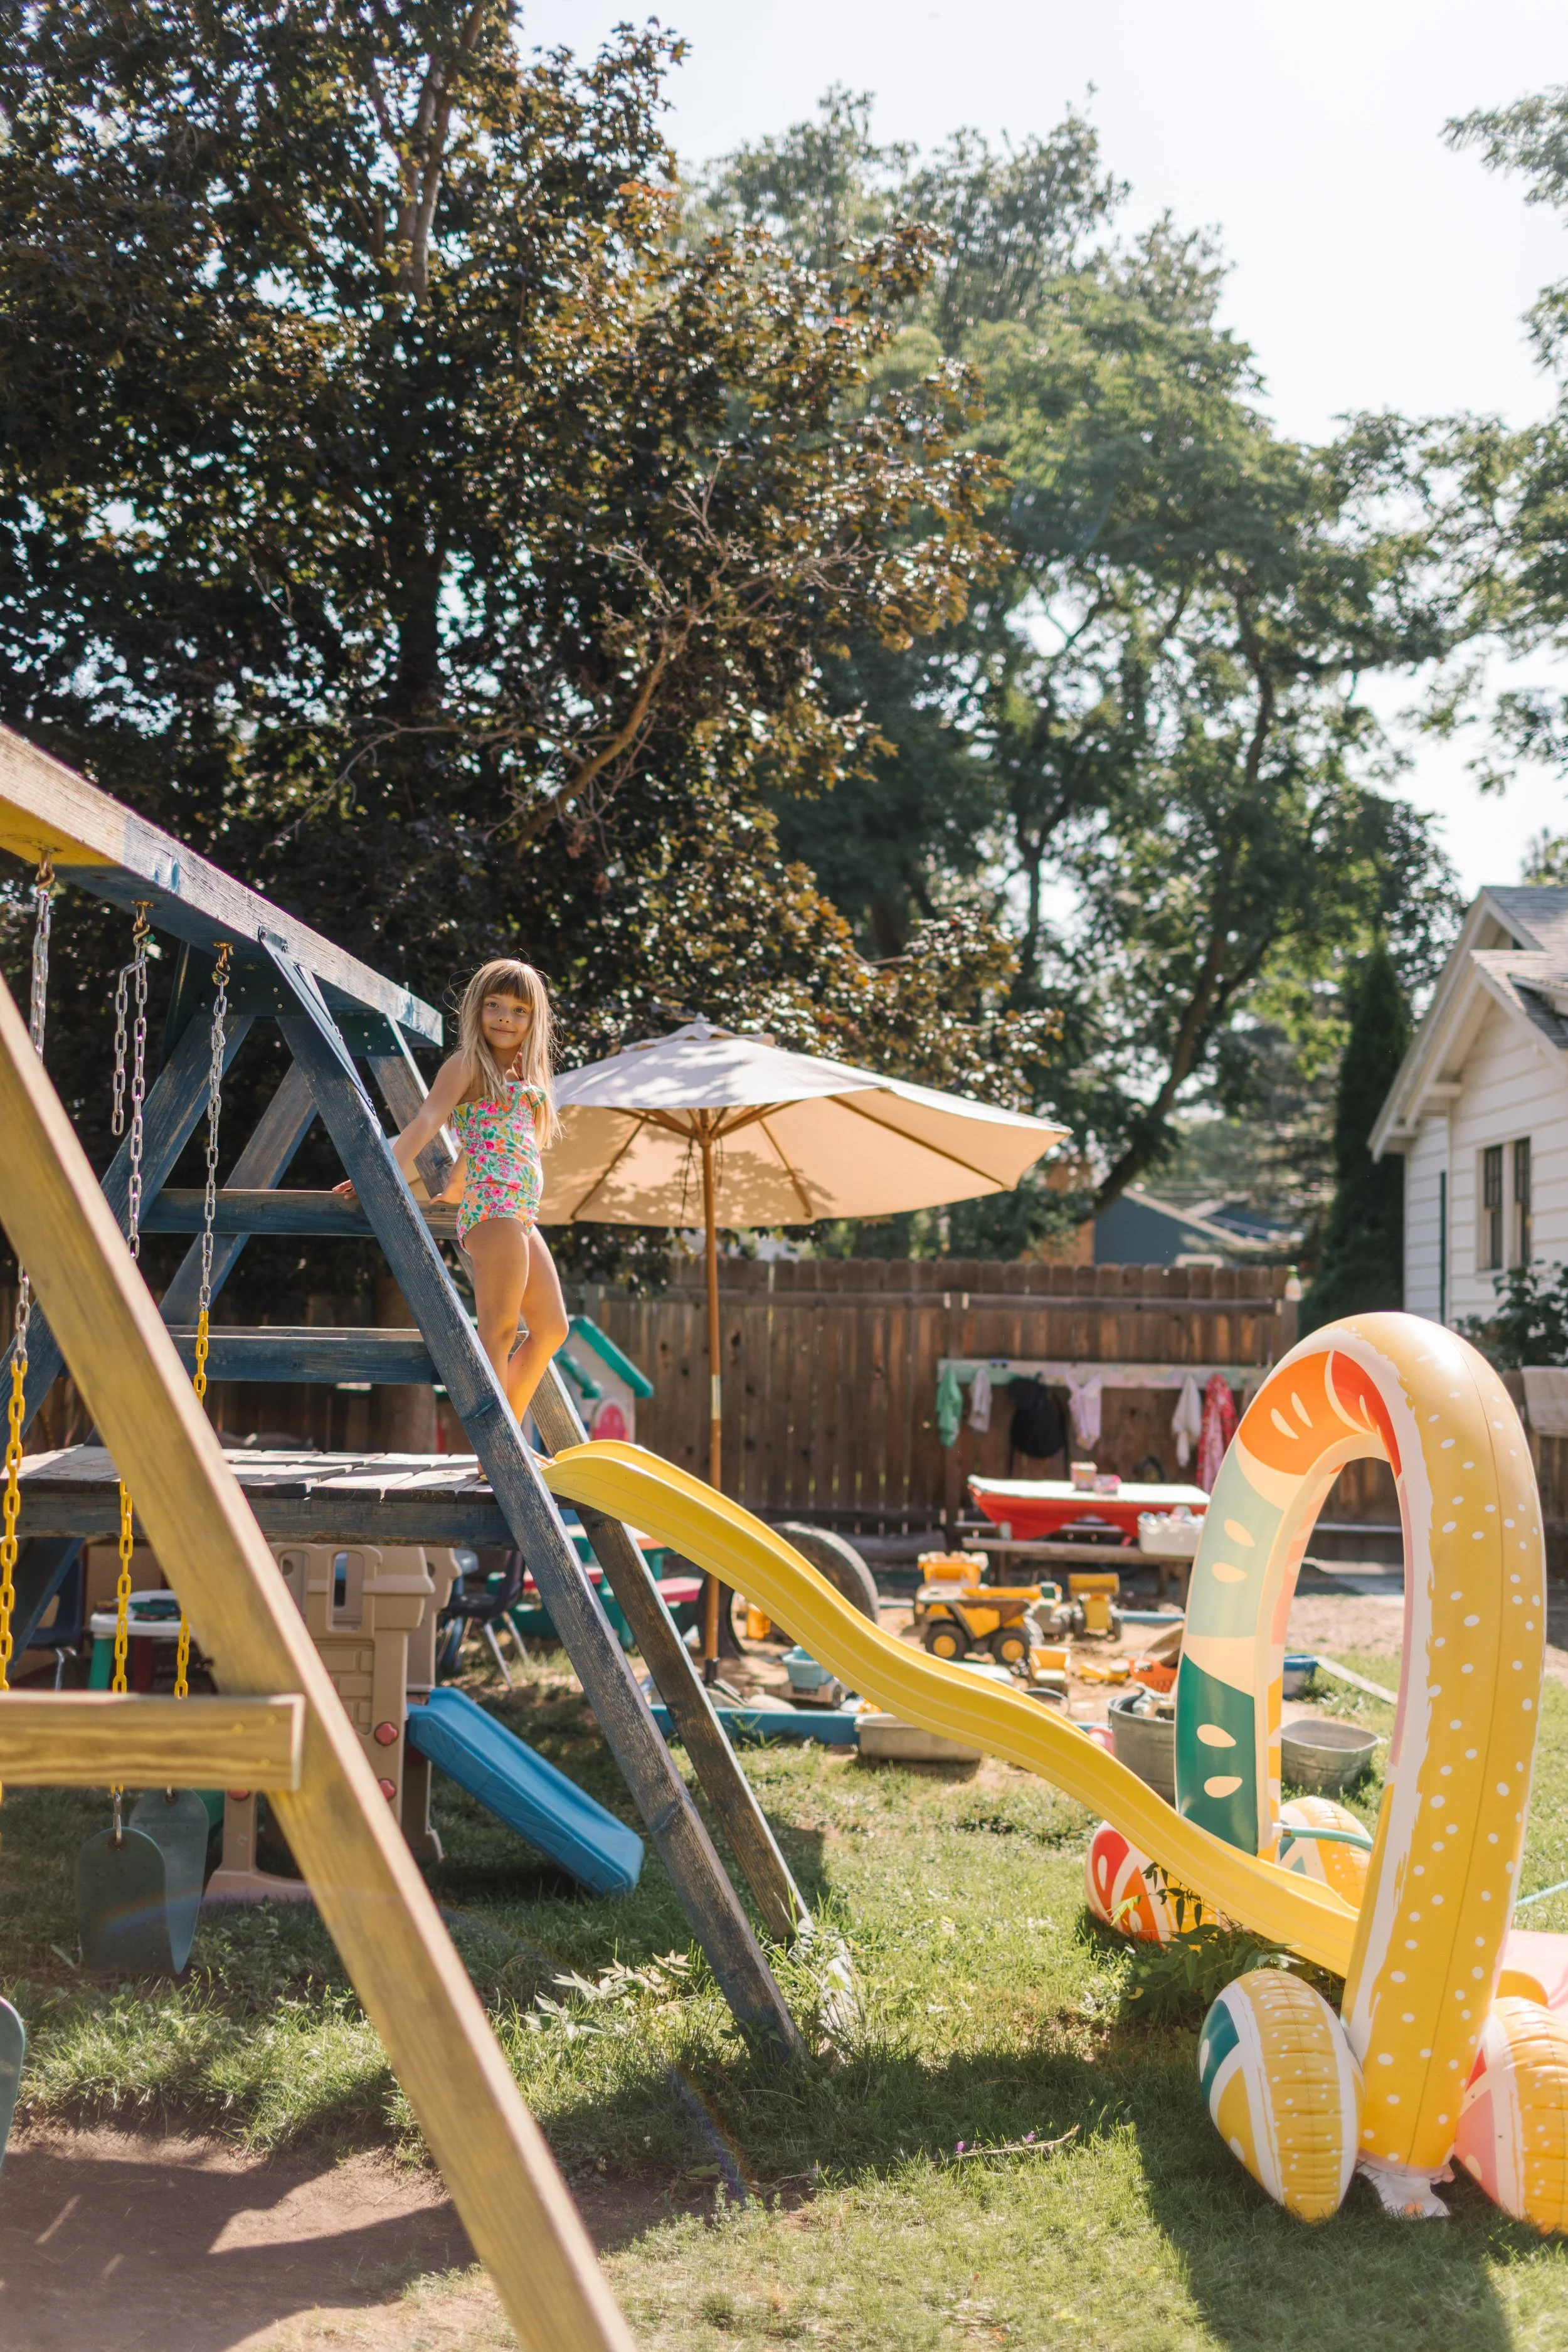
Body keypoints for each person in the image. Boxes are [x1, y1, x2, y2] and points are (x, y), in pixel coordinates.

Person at [336, 958, 569, 1428]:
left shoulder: (524, 1077)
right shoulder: (466, 1064)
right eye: (494, 1006)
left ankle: (509, 1443)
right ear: (477, 1011)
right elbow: (427, 1121)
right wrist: (381, 1174)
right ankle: (497, 1450)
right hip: (495, 1208)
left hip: (517, 1210)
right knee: (499, 1331)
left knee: (551, 1329)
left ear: (534, 1019)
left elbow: (481, 1141)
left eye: (519, 1010)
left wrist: (453, 1187)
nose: (505, 1017)